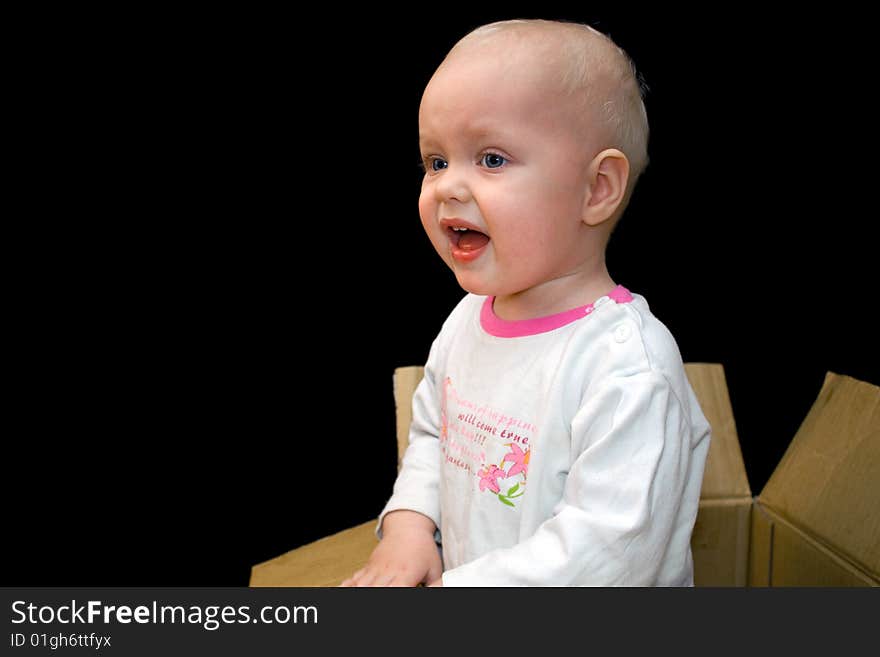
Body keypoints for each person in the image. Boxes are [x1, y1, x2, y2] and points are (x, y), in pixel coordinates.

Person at [341, 18, 711, 586]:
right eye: (436, 162)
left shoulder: (627, 368)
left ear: (596, 190)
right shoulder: (469, 320)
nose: (447, 187)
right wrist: (410, 525)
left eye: (491, 159)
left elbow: (606, 556)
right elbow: (434, 434)